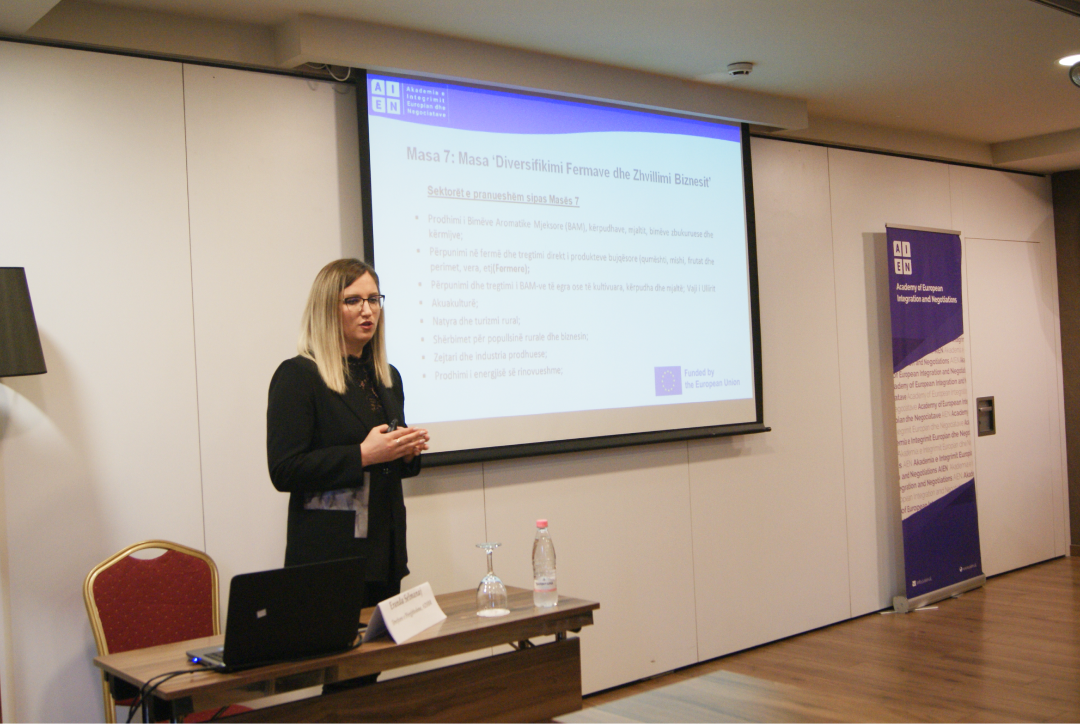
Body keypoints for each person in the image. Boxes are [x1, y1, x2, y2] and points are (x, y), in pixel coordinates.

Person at [267, 258, 429, 609]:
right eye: (353, 300)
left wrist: (405, 452)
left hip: (384, 553)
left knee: (378, 646)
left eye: (373, 299)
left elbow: (386, 465)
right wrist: (363, 454)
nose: (367, 310)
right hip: (330, 558)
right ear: (327, 308)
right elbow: (284, 469)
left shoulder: (387, 376)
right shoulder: (299, 376)